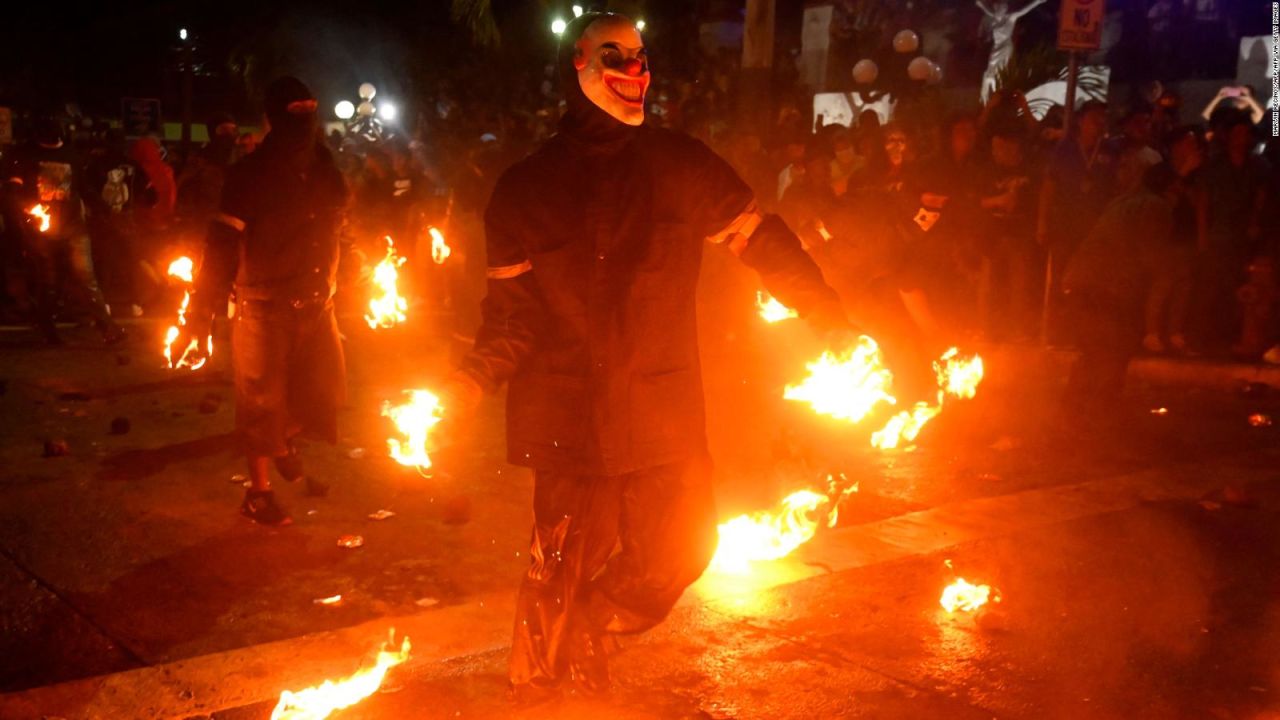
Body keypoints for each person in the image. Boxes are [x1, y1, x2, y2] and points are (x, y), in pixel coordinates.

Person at [439, 12, 854, 698]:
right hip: (567, 418)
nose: (635, 71)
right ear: (578, 65)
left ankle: (590, 628)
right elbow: (511, 322)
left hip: (661, 413)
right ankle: (546, 697)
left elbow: (761, 240)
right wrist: (468, 382)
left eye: (641, 57)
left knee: (683, 548)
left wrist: (827, 315)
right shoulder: (523, 188)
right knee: (558, 571)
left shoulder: (678, 164)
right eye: (615, 55)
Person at [174, 77, 348, 526]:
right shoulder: (249, 174)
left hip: (317, 304)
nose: (305, 121)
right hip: (262, 307)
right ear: (272, 119)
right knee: (261, 405)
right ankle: (258, 492)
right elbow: (221, 245)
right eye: (296, 111)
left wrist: (360, 275)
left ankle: (286, 438)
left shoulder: (327, 169)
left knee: (322, 393)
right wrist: (199, 315)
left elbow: (341, 228)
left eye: (310, 110)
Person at [2, 118, 123, 344]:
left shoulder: (72, 156)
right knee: (49, 281)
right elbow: (12, 191)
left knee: (86, 277)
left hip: (73, 227)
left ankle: (107, 327)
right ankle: (47, 327)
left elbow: (82, 187)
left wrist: (103, 209)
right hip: (41, 232)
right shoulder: (26, 155)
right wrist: (22, 220)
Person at [1036, 100, 1113, 343]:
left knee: (1091, 280)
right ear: (1081, 121)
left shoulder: (1108, 150)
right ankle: (1057, 330)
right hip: (1065, 224)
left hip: (1095, 226)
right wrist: (1042, 222)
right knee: (1061, 278)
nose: (1098, 124)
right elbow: (1049, 187)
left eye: (1102, 119)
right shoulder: (1065, 149)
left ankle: (1085, 331)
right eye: (1094, 119)